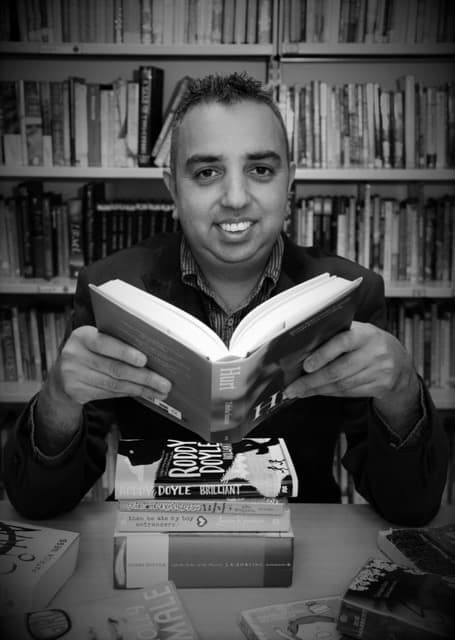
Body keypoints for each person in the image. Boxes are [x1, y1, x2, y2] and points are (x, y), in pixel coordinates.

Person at [4, 72, 448, 524]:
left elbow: (411, 507)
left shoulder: (350, 295)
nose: (236, 198)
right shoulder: (114, 291)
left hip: (298, 545)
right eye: (207, 172)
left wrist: (401, 391)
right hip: (153, 543)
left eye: (260, 170)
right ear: (172, 188)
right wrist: (59, 398)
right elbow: (38, 502)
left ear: (289, 183)